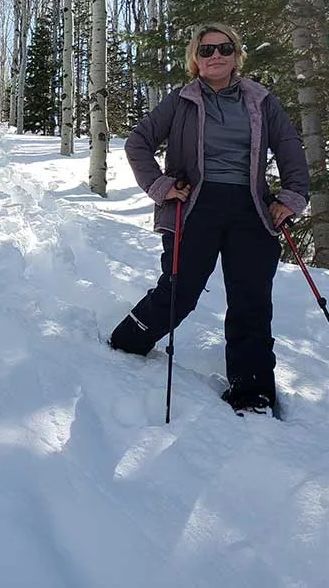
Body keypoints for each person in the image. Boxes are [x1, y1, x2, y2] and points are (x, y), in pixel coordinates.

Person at [109, 23, 309, 415]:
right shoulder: (181, 99)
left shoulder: (261, 100)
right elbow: (138, 143)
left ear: (236, 55)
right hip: (194, 205)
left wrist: (291, 196)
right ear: (194, 60)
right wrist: (161, 186)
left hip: (250, 207)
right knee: (178, 291)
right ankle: (127, 341)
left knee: (251, 299)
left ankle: (252, 392)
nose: (215, 56)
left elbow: (289, 147)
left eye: (224, 48)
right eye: (206, 51)